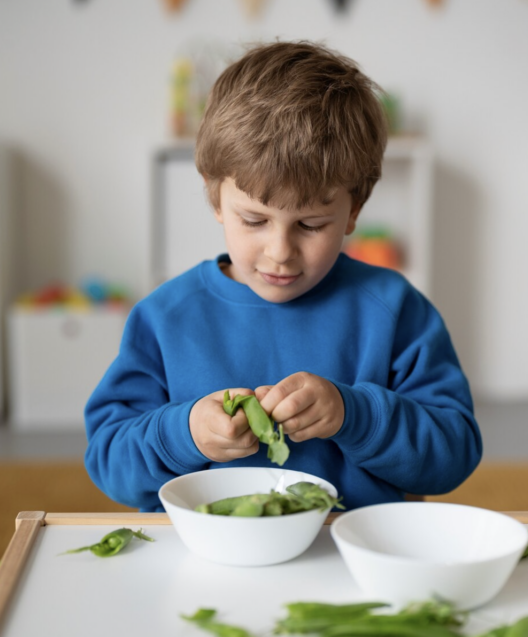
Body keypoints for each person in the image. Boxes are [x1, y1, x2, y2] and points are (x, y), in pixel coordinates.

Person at [84, 40, 482, 512]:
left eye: (311, 225)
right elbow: (109, 460)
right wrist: (184, 434)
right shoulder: (164, 317)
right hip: (211, 562)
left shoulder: (393, 309)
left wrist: (354, 414)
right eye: (254, 221)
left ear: (353, 211)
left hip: (349, 557)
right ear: (216, 201)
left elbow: (453, 454)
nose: (280, 253)